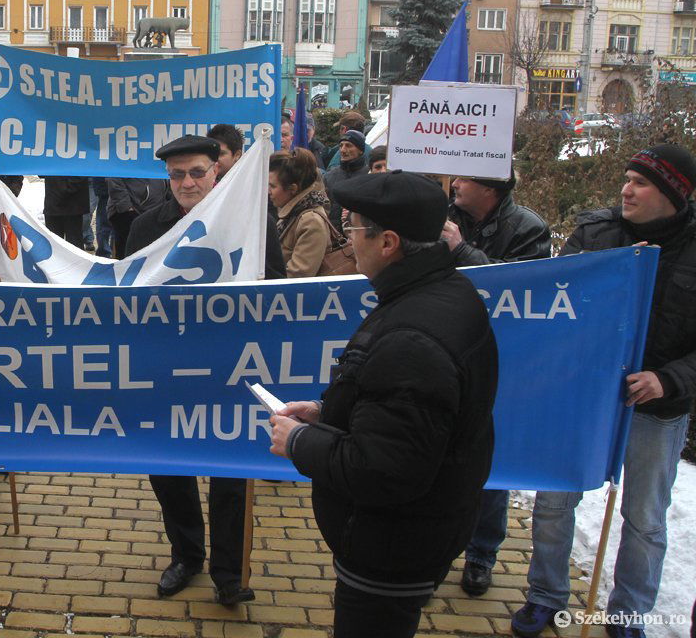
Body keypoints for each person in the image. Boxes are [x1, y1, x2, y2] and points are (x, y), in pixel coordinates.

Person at [269, 170, 498, 638]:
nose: (348, 242)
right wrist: (327, 413)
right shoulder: (443, 291)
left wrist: (301, 442)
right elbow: (405, 413)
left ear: (388, 241)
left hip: (390, 546)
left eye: (352, 228)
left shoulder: (411, 337)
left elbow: (386, 469)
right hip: (420, 528)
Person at [512, 145, 696, 638]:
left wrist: (668, 379)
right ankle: (545, 595)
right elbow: (555, 303)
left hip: (657, 407)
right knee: (553, 501)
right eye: (627, 177)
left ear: (675, 193)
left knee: (644, 518)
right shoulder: (596, 234)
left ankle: (628, 613)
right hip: (582, 399)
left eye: (640, 182)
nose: (626, 189)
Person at [125, 135, 285, 607]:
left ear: (217, 170)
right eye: (177, 175)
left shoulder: (252, 222)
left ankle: (229, 573)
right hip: (165, 371)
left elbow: (277, 291)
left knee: (230, 473)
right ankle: (186, 555)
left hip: (231, 369)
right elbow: (126, 295)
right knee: (168, 469)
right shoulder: (144, 227)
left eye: (197, 172)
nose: (187, 183)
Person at [439, 172, 550, 598]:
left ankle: (482, 553)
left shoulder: (528, 227)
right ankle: (440, 549)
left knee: (488, 460)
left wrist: (461, 250)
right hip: (448, 344)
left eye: (464, 178)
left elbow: (520, 286)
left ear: (491, 188)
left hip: (501, 356)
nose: (455, 184)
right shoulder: (443, 217)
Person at [269, 149, 331, 278]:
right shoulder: (292, 212)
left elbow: (298, 277)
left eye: (273, 186)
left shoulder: (310, 221)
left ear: (292, 189)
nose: (268, 191)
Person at [106, 176, 168, 259]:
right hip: (129, 212)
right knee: (128, 254)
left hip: (157, 208)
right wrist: (126, 206)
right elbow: (113, 178)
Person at [323, 130, 368, 228]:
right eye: (341, 145)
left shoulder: (369, 175)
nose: (343, 150)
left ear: (360, 150)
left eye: (348, 145)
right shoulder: (329, 176)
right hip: (333, 237)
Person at [44, 176, 90, 248]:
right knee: (54, 244)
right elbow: (41, 173)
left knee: (74, 244)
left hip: (73, 204)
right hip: (53, 201)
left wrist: (67, 189)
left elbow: (81, 173)